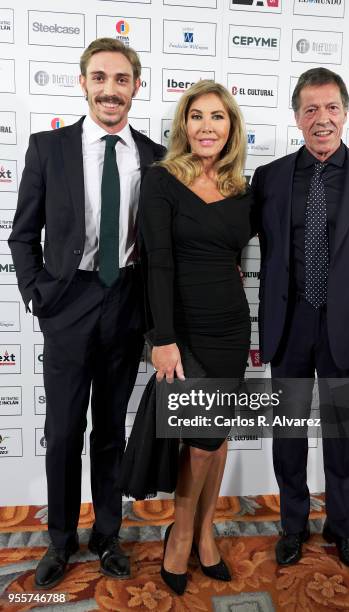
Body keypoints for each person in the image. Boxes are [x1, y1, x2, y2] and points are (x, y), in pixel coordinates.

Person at [8, 38, 165, 589]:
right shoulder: (47, 148)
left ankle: (108, 535)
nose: (110, 90)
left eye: (122, 80)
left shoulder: (153, 156)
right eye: (100, 78)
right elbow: (22, 234)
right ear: (84, 83)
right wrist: (35, 295)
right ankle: (58, 540)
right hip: (67, 305)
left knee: (109, 432)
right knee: (64, 429)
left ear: (136, 87)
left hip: (124, 303)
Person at [252, 67, 349, 571]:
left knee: (341, 437)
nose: (322, 119)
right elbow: (231, 238)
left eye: (331, 107)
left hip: (347, 332)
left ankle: (343, 528)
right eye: (311, 109)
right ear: (296, 117)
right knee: (289, 435)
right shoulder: (269, 178)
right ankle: (292, 527)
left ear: (345, 113)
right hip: (287, 326)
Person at [137, 80, 252, 594]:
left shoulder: (243, 190)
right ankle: (181, 534)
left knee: (217, 433)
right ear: (184, 125)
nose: (207, 126)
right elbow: (157, 261)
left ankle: (206, 531)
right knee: (201, 439)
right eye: (197, 116)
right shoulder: (161, 180)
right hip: (182, 327)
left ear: (231, 128)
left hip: (231, 325)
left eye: (218, 117)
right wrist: (163, 337)